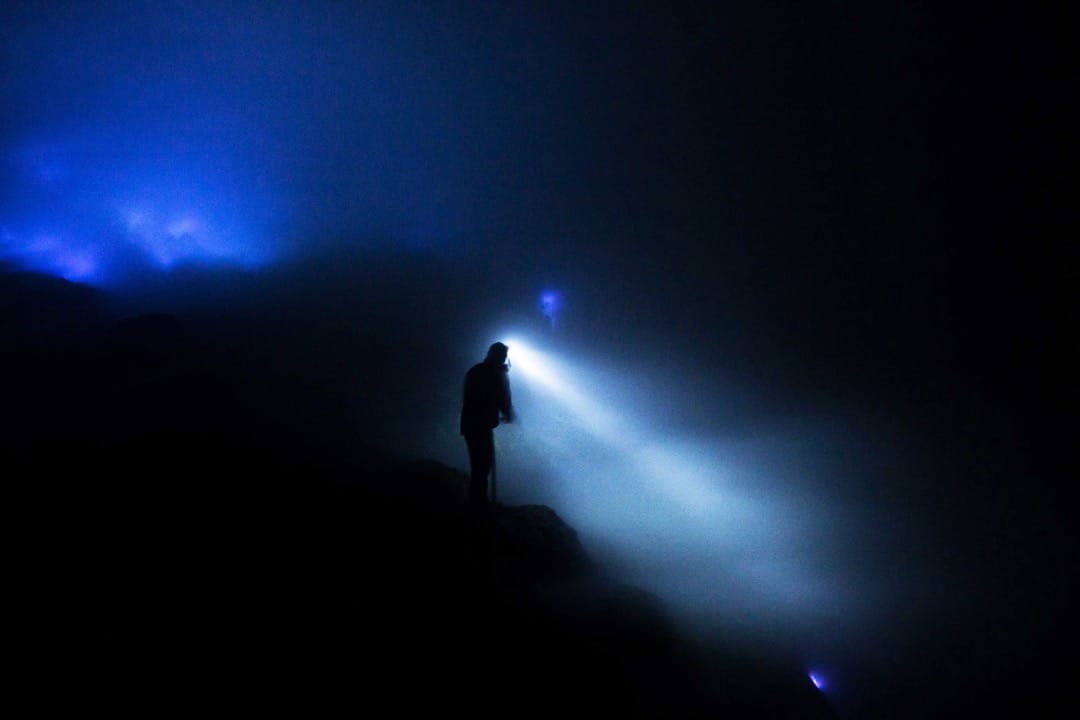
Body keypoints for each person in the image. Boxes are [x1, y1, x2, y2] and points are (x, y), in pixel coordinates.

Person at [460, 341, 515, 514]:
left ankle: (479, 502)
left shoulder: (476, 370)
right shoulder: (493, 374)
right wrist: (506, 412)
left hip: (471, 423)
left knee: (480, 465)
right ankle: (478, 506)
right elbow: (501, 398)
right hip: (480, 425)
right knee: (482, 465)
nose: (504, 360)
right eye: (503, 357)